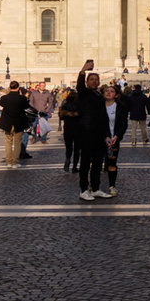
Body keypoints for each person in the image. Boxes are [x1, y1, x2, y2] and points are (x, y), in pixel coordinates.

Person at [76, 59, 112, 200]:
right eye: (91, 79)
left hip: (99, 134)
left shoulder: (99, 96)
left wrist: (107, 135)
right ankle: (84, 189)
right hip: (86, 132)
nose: (94, 81)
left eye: (96, 79)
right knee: (85, 162)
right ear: (87, 82)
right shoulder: (84, 94)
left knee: (97, 162)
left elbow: (104, 117)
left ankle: (95, 188)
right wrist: (83, 70)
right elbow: (79, 85)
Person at [0, 80, 31, 169]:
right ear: (18, 88)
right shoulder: (22, 98)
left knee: (8, 142)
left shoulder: (4, 98)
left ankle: (8, 161)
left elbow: (1, 104)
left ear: (10, 87)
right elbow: (27, 106)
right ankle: (15, 162)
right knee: (17, 143)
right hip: (18, 122)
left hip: (8, 122)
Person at [101, 84, 129, 195]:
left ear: (116, 95)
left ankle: (112, 186)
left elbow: (123, 123)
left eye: (111, 91)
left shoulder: (121, 106)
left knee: (112, 163)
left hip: (114, 139)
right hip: (100, 138)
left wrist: (117, 135)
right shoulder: (99, 106)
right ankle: (94, 187)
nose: (108, 92)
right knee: (97, 163)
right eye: (106, 91)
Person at [58, 89, 81, 173]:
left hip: (67, 128)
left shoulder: (65, 106)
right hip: (78, 129)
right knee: (77, 149)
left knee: (69, 147)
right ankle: (74, 167)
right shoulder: (79, 106)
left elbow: (61, 117)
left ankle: (68, 158)